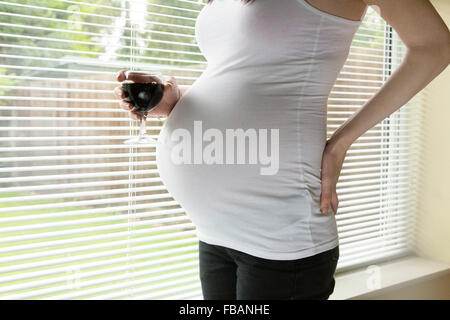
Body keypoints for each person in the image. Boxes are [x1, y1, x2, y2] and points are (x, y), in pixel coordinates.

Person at [114, 0, 450, 300]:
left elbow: (434, 45)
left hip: (280, 235)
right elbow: (242, 74)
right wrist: (176, 100)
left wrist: (341, 143)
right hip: (215, 232)